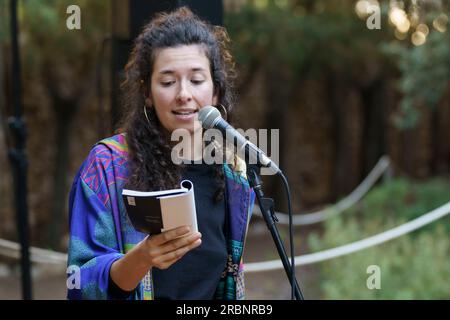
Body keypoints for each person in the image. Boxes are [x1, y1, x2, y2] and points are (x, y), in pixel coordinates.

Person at [67, 7, 255, 300]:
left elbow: (230, 281)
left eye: (196, 80)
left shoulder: (234, 172)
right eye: (167, 82)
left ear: (216, 91)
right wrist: (142, 258)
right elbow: (79, 284)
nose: (183, 94)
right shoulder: (107, 165)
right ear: (147, 93)